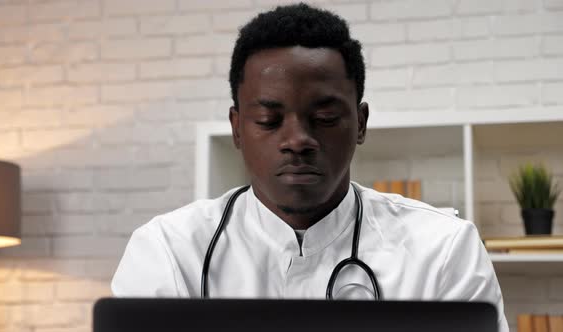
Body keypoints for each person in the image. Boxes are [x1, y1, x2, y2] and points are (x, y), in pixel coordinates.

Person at [111, 4, 508, 331]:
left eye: (324, 117)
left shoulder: (442, 249)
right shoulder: (168, 251)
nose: (297, 140)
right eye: (269, 120)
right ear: (237, 128)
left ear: (361, 123)